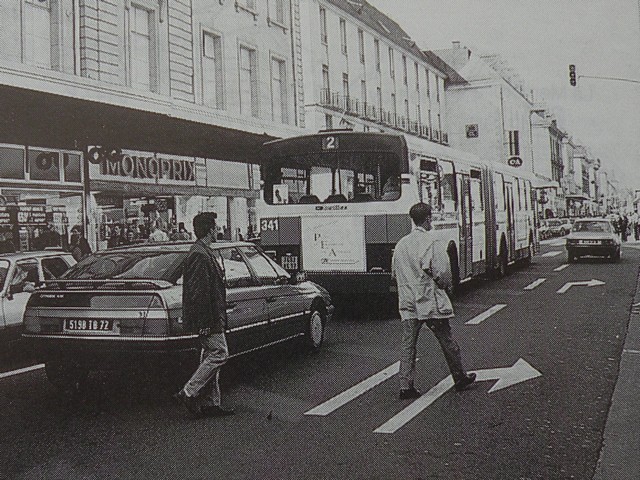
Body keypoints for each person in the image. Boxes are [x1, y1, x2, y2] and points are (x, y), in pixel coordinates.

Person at [391, 202, 476, 399]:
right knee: (447, 339)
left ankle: (406, 385)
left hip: (408, 300)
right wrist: (444, 286)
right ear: (428, 219)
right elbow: (443, 273)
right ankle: (459, 377)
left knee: (408, 344)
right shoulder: (432, 242)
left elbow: (394, 274)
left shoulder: (401, 244)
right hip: (429, 300)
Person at [174, 212, 234, 417]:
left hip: (212, 315)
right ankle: (189, 392)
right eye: (215, 227)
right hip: (208, 317)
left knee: (210, 355)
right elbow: (199, 292)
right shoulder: (199, 254)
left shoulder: (202, 251)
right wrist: (205, 322)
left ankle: (211, 403)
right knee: (220, 353)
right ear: (209, 230)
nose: (218, 230)